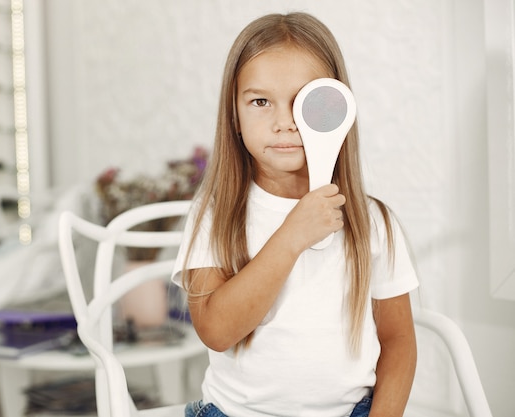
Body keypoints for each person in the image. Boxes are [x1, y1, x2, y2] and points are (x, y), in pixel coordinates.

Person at [171, 11, 419, 417]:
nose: (285, 123)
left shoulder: (373, 221)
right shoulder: (215, 215)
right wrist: (291, 236)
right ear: (234, 114)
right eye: (260, 101)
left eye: (307, 102)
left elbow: (398, 342)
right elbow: (216, 332)